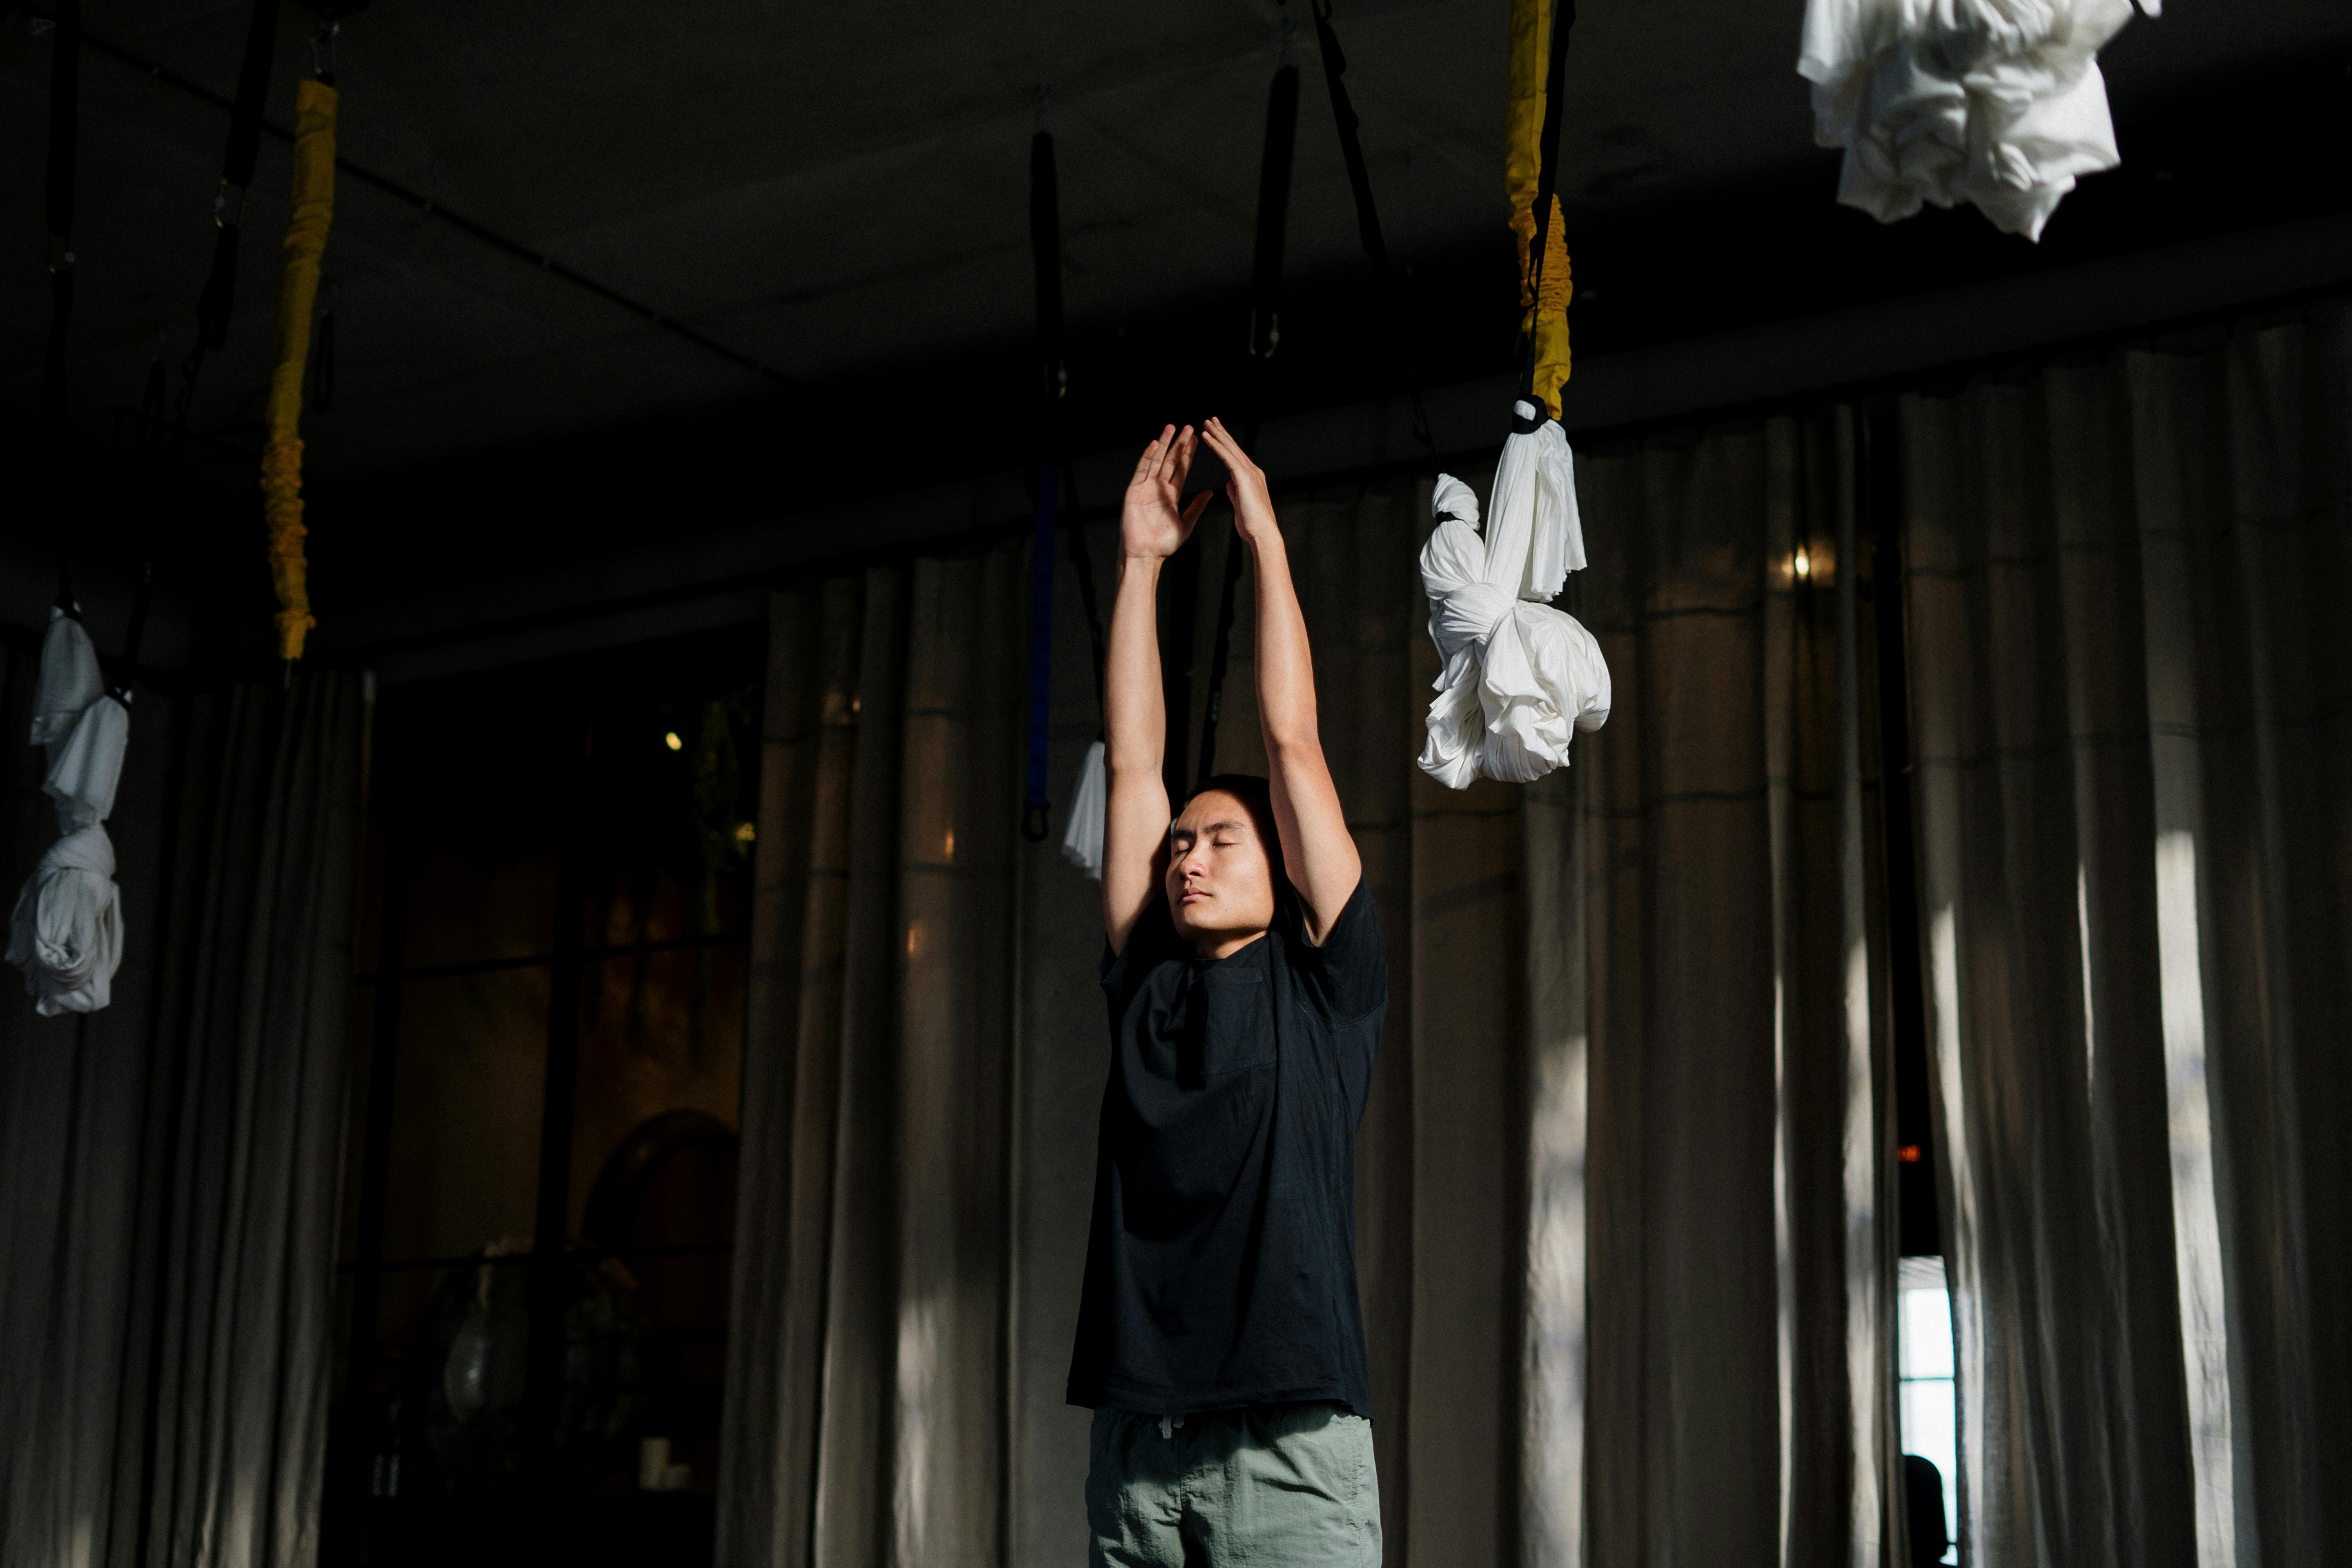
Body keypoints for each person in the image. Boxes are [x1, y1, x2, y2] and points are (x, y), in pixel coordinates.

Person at [1068, 419, 1387, 1566]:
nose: (1188, 858)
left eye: (1222, 841)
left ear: (1285, 868)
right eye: (1179, 847)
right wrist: (1142, 564)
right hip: (1138, 1451)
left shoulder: (1326, 992)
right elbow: (1134, 759)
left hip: (1288, 1449)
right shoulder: (1149, 982)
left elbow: (1291, 741)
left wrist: (1261, 538)